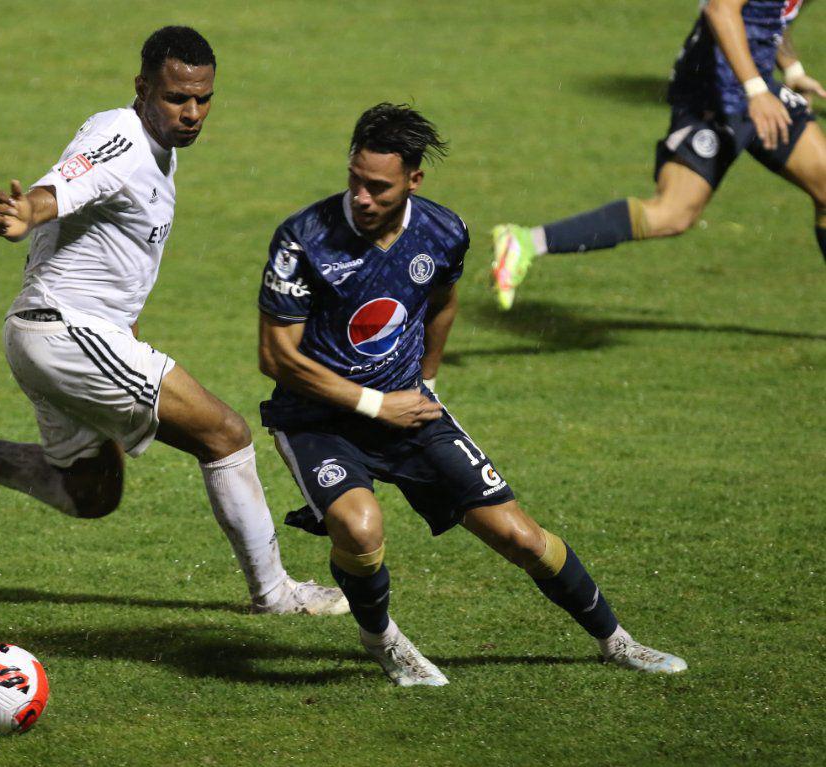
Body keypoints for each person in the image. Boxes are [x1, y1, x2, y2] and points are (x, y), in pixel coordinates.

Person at [0, 26, 347, 617]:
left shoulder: (152, 149)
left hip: (43, 335)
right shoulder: (121, 136)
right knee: (225, 435)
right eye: (176, 98)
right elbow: (63, 186)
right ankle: (276, 595)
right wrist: (26, 211)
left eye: (204, 99)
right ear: (142, 88)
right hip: (67, 332)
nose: (192, 113)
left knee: (88, 494)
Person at [257, 103, 687, 686]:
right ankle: (383, 639)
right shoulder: (304, 239)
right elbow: (278, 356)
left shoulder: (442, 231)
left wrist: (425, 383)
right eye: (355, 179)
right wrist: (375, 404)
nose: (361, 196)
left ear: (413, 180)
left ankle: (617, 641)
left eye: (378, 187)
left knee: (522, 537)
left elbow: (442, 303)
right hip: (317, 417)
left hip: (406, 408)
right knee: (360, 527)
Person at [491, 0, 826, 310]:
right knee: (672, 214)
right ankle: (524, 242)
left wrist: (792, 69)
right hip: (713, 91)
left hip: (757, 84)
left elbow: (772, 16)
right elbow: (721, 10)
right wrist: (756, 92)